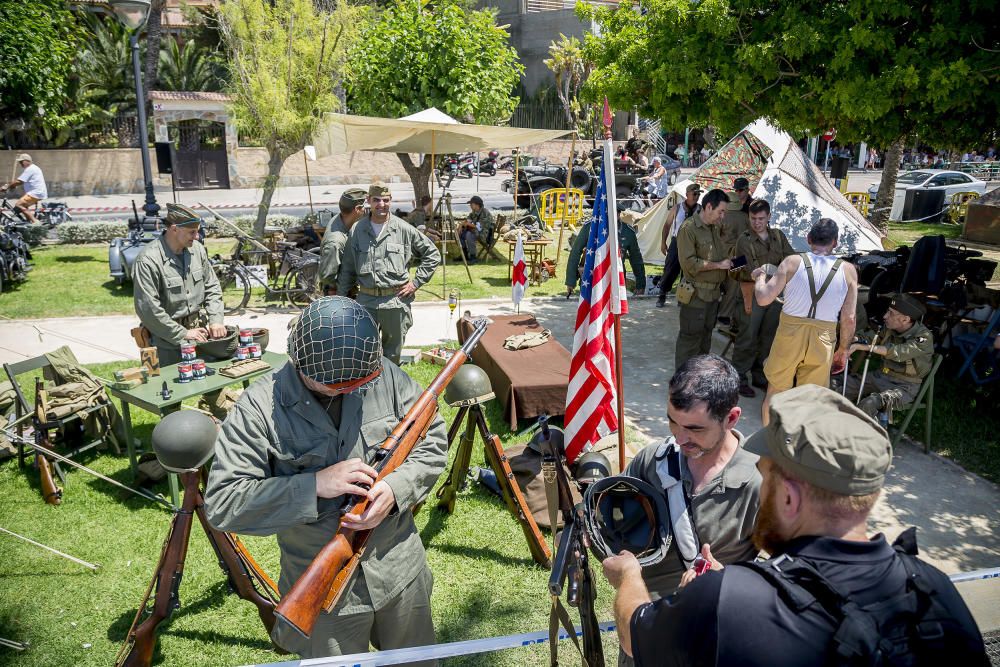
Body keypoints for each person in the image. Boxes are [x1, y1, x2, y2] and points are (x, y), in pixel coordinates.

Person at [604, 384, 989, 667]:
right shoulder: (931, 588)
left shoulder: (730, 600)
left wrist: (630, 577)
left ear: (788, 497)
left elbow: (634, 635)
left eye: (765, 477)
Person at [205, 297, 447, 661]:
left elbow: (431, 434)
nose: (352, 390)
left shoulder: (378, 370)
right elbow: (225, 504)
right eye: (339, 385)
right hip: (324, 591)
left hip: (399, 571)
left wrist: (396, 489)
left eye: (359, 381)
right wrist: (315, 485)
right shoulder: (258, 409)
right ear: (300, 363)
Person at [609, 354, 760, 666]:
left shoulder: (761, 484)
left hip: (710, 643)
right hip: (644, 633)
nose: (679, 437)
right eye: (672, 421)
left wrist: (726, 583)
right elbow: (617, 519)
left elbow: (781, 583)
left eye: (694, 428)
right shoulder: (654, 460)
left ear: (731, 418)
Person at [751, 218, 858, 425]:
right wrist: (843, 349)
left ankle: (770, 447)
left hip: (789, 333)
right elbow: (849, 318)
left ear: (809, 239)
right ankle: (799, 450)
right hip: (823, 338)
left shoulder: (792, 262)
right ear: (835, 242)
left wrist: (760, 277)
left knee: (775, 393)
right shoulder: (848, 270)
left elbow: (763, 298)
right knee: (810, 399)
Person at [338, 183, 441, 365]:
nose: (381, 205)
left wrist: (416, 283)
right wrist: (341, 299)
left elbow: (432, 254)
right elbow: (347, 268)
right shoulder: (357, 230)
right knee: (363, 353)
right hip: (366, 302)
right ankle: (369, 391)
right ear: (368, 201)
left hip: (394, 302)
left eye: (386, 200)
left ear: (390, 201)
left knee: (392, 357)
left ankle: (391, 390)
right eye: (376, 200)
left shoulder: (404, 229)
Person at [133, 202, 225, 366]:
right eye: (192, 232)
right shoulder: (148, 260)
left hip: (200, 335)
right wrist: (183, 334)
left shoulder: (198, 250)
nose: (196, 236)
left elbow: (212, 286)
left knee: (211, 386)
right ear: (174, 229)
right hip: (165, 344)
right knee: (167, 390)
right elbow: (148, 309)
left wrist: (216, 319)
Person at [731, 199, 795, 397]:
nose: (757, 223)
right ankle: (739, 378)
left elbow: (791, 260)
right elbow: (734, 268)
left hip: (775, 296)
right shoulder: (744, 240)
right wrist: (751, 273)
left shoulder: (777, 237)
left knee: (769, 337)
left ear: (769, 217)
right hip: (752, 294)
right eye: (753, 218)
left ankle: (760, 375)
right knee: (747, 337)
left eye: (761, 218)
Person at [836, 293, 934, 420]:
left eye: (891, 313)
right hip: (880, 376)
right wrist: (854, 340)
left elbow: (899, 352)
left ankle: (860, 436)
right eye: (888, 311)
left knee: (869, 404)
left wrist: (866, 347)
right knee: (838, 387)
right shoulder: (889, 328)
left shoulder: (923, 337)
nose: (885, 316)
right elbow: (870, 337)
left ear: (905, 319)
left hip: (904, 387)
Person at [674, 188, 732, 369]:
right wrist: (719, 265)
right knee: (690, 340)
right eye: (720, 211)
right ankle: (682, 382)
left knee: (705, 339)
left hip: (713, 296)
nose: (722, 216)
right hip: (696, 296)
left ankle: (697, 379)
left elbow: (719, 256)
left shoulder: (714, 228)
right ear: (708, 207)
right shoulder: (689, 228)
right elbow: (689, 264)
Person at [565, 217, 645, 296]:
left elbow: (636, 259)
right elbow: (575, 252)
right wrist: (571, 281)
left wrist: (640, 285)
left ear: (619, 213)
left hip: (616, 279)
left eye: (616, 212)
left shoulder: (627, 231)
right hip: (591, 278)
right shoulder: (590, 227)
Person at [655, 183, 701, 308]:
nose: (697, 196)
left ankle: (682, 297)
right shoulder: (677, 208)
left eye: (698, 194)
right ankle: (662, 294)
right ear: (687, 195)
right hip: (677, 241)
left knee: (687, 272)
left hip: (692, 243)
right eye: (694, 194)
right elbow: (667, 225)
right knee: (670, 268)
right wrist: (663, 242)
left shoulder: (700, 209)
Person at [717, 177, 752, 330]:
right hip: (740, 256)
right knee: (733, 286)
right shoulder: (747, 217)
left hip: (722, 254)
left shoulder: (722, 217)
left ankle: (715, 311)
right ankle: (725, 314)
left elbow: (715, 236)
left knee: (718, 283)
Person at [318, 188, 367, 295]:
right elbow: (327, 276)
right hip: (339, 295)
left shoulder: (341, 219)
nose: (366, 210)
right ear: (357, 209)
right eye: (364, 207)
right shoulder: (335, 242)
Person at [1, 154, 47, 224]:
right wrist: (12, 185)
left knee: (19, 205)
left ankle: (35, 222)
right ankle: (29, 222)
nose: (20, 163)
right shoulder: (33, 168)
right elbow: (20, 181)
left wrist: (6, 187)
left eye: (21, 162)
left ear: (26, 161)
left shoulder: (30, 169)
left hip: (35, 193)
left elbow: (19, 181)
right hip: (36, 192)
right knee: (22, 206)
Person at [458, 195, 494, 263]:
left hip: (485, 235)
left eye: (471, 204)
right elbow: (468, 220)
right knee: (460, 234)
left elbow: (480, 227)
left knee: (469, 235)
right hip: (478, 232)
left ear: (477, 205)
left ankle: (473, 256)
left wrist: (467, 224)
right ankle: (464, 254)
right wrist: (461, 225)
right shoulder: (474, 212)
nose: (470, 206)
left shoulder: (484, 213)